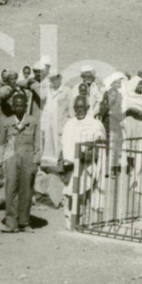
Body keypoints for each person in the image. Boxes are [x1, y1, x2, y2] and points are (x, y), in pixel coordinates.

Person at [0, 91, 41, 232]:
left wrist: (36, 162)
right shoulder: (7, 122)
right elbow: (2, 144)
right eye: (16, 106)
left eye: (21, 106)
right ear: (12, 106)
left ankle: (24, 222)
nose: (19, 109)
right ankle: (11, 223)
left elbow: (38, 144)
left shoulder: (33, 122)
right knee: (10, 189)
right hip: (10, 158)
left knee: (26, 190)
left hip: (27, 158)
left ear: (25, 105)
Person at [61, 94, 108, 223]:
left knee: (83, 194)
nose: (79, 110)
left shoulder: (95, 124)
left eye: (82, 107)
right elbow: (64, 144)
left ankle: (82, 222)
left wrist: (88, 153)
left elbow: (100, 144)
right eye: (76, 107)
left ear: (87, 107)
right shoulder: (69, 124)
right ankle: (69, 221)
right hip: (70, 166)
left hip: (87, 165)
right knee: (69, 194)